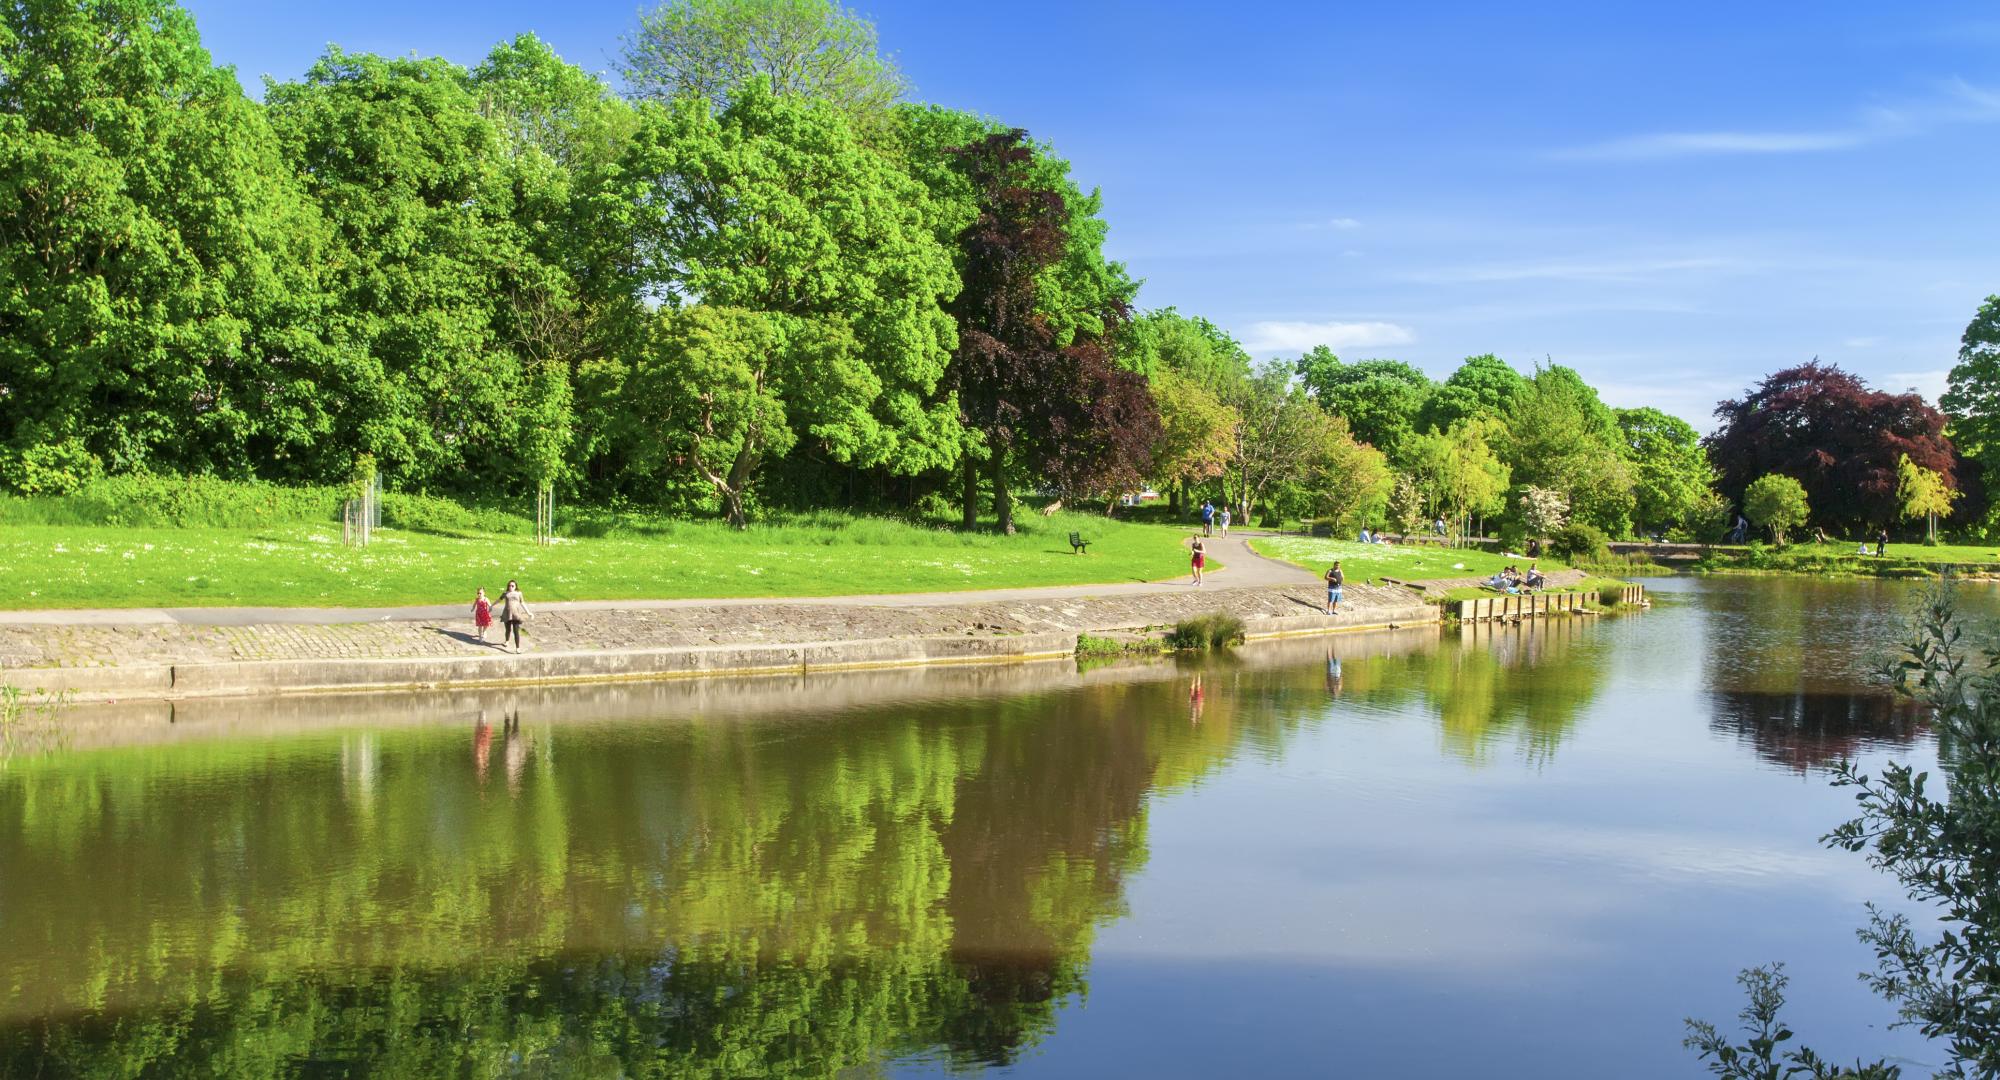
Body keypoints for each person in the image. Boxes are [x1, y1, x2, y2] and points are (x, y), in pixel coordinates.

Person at [498, 578, 532, 653]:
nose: (511, 587)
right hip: (507, 614)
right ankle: (506, 641)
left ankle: (518, 648)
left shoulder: (519, 593)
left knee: (516, 631)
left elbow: (522, 603)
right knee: (508, 629)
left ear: (515, 586)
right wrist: (491, 606)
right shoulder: (505, 593)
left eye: (512, 586)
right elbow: (499, 600)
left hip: (516, 614)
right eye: (509, 585)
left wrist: (528, 612)